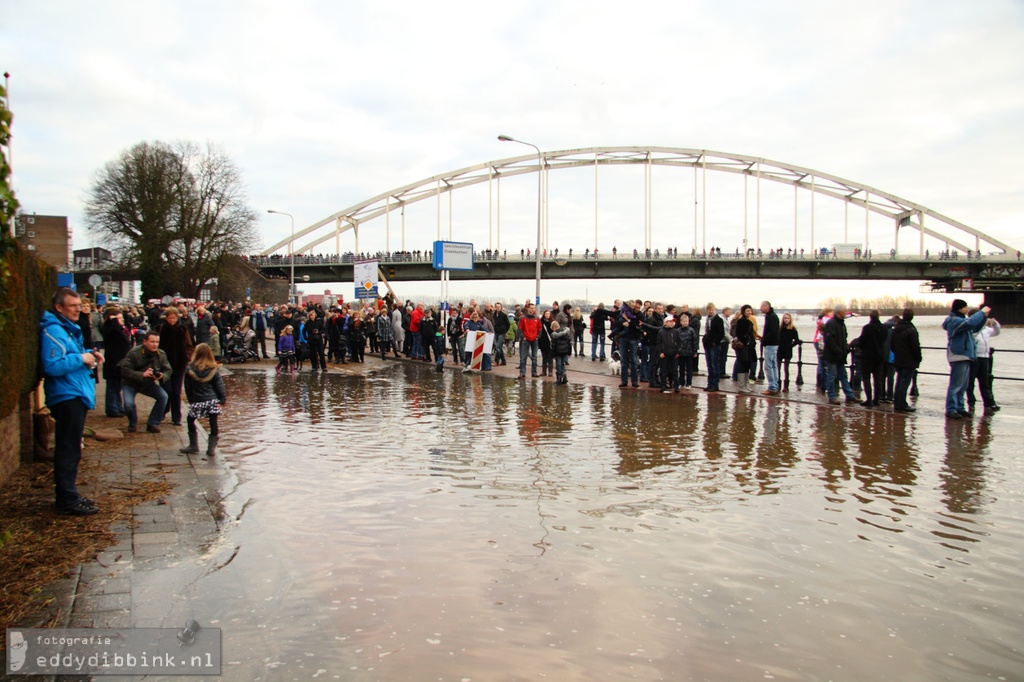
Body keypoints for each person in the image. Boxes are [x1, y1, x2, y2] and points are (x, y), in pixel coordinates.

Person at [40, 288, 104, 515]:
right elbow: (52, 365)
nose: (79, 309)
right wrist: (81, 358)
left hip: (75, 392)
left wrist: (89, 355)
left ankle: (70, 494)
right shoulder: (54, 331)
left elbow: (71, 355)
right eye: (73, 306)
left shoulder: (67, 329)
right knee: (68, 448)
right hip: (67, 395)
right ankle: (67, 500)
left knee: (72, 447)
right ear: (59, 308)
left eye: (79, 305)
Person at [942, 299, 991, 419]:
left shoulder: (961, 321)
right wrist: (981, 312)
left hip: (965, 355)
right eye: (965, 307)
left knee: (963, 385)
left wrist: (983, 316)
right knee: (956, 384)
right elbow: (970, 323)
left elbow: (975, 327)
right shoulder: (954, 321)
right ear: (959, 308)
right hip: (958, 355)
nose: (967, 309)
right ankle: (951, 409)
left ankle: (960, 407)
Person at [119, 330, 172, 433]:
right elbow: (124, 370)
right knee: (128, 404)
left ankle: (153, 423)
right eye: (152, 342)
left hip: (148, 384)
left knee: (163, 396)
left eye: (157, 342)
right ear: (145, 341)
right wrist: (142, 374)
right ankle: (132, 423)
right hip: (130, 383)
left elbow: (168, 370)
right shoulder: (134, 353)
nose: (155, 344)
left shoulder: (160, 354)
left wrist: (161, 376)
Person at [179, 343, 227, 457]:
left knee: (191, 420)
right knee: (213, 422)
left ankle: (193, 445)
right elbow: (219, 386)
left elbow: (188, 387)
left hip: (197, 400)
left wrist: (191, 400)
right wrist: (222, 399)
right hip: (211, 400)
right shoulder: (213, 369)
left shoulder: (190, 369)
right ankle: (211, 449)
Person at [158, 306, 194, 426]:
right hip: (164, 366)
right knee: (167, 390)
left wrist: (187, 358)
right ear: (166, 318)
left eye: (174, 318)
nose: (172, 320)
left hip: (179, 364)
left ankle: (176, 417)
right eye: (170, 318)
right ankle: (163, 410)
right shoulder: (161, 329)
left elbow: (189, 345)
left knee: (176, 392)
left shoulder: (182, 330)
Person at [823, 305, 857, 405]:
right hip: (833, 355)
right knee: (832, 375)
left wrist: (846, 348)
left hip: (840, 355)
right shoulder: (831, 323)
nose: (846, 312)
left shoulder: (841, 323)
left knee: (843, 375)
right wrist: (839, 350)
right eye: (845, 311)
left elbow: (844, 338)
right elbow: (829, 341)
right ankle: (832, 396)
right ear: (839, 312)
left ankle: (850, 395)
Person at [890, 309, 922, 413]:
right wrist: (918, 358)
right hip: (909, 361)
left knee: (899, 381)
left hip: (898, 359)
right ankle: (902, 404)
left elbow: (892, 345)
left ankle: (897, 403)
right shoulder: (911, 330)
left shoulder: (895, 329)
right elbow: (915, 347)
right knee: (904, 382)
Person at [968, 315, 1001, 411]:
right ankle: (971, 402)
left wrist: (995, 324)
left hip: (985, 357)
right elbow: (974, 334)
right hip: (974, 358)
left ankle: (989, 403)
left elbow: (997, 332)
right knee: (970, 382)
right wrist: (982, 325)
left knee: (985, 382)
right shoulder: (972, 329)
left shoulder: (987, 330)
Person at [856, 310, 888, 408]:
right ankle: (876, 399)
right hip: (879, 356)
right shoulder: (884, 328)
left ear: (870, 317)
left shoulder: (867, 328)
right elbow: (884, 340)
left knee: (866, 378)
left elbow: (861, 341)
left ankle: (869, 399)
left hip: (867, 356)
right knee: (877, 378)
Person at [702, 304, 725, 392]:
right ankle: (710, 384)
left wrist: (715, 341)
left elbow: (721, 333)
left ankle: (715, 384)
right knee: (709, 365)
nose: (710, 311)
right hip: (708, 343)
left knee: (714, 364)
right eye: (709, 310)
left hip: (714, 345)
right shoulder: (708, 319)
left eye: (712, 309)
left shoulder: (718, 320)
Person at [760, 301, 780, 395]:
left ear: (767, 307)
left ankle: (772, 387)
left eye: (762, 306)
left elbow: (772, 332)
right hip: (774, 344)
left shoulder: (771, 317)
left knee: (768, 366)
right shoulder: (771, 316)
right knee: (774, 365)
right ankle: (775, 385)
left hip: (771, 344)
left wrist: (764, 340)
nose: (761, 308)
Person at [517, 302, 542, 379]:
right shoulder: (523, 318)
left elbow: (540, 328)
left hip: (534, 339)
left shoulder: (537, 318)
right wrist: (523, 336)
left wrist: (538, 336)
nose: (532, 310)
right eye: (531, 308)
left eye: (533, 308)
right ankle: (522, 373)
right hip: (526, 339)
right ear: (528, 308)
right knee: (523, 357)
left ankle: (534, 372)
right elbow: (520, 328)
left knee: (534, 357)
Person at [777, 312, 800, 392]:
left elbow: (796, 340)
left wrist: (790, 346)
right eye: (785, 318)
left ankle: (786, 386)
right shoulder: (780, 328)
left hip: (788, 350)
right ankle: (778, 385)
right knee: (777, 368)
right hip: (779, 350)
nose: (786, 320)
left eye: (788, 318)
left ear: (790, 319)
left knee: (786, 369)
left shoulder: (793, 329)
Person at [676, 312, 699, 388]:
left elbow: (695, 341)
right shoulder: (678, 331)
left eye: (686, 321)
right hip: (681, 352)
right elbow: (676, 342)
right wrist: (677, 351)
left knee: (689, 369)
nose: (685, 323)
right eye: (684, 321)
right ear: (681, 322)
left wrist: (695, 351)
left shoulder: (691, 330)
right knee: (681, 369)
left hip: (689, 352)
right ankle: (681, 382)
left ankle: (689, 383)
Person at [550, 320, 572, 384]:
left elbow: (553, 346)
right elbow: (569, 344)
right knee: (563, 364)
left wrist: (553, 355)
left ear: (553, 327)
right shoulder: (566, 333)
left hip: (558, 352)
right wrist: (569, 352)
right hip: (565, 352)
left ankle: (559, 378)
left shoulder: (554, 335)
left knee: (558, 365)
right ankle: (564, 377)